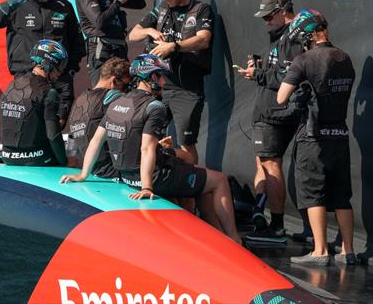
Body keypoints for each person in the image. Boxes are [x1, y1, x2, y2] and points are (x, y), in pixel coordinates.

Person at [60, 55, 241, 244]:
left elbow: (96, 141)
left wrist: (82, 174)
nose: (164, 82)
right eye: (161, 76)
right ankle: (235, 240)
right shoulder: (155, 107)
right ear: (151, 78)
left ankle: (216, 238)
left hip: (125, 175)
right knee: (219, 180)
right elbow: (147, 149)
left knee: (199, 181)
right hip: (152, 176)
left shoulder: (116, 103)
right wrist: (147, 186)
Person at [277, 9, 357, 266]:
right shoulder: (344, 57)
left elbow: (281, 97)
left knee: (313, 193)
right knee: (342, 195)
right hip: (340, 135)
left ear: (305, 35)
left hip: (313, 137)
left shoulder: (304, 60)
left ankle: (320, 251)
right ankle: (348, 251)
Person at [237, 0, 305, 245]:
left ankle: (276, 227)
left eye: (268, 17)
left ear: (281, 12)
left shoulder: (293, 37)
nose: (265, 22)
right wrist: (260, 67)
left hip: (276, 114)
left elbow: (289, 77)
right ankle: (265, 215)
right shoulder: (284, 37)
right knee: (265, 163)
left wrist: (258, 74)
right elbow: (280, 69)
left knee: (270, 165)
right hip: (273, 112)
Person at [128, 0, 212, 165]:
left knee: (186, 144)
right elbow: (133, 34)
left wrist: (174, 46)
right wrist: (150, 30)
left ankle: (189, 188)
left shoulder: (200, 9)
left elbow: (204, 40)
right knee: (145, 136)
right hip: (159, 88)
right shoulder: (162, 9)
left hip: (187, 89)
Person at [0, 40, 70, 166]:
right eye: (60, 66)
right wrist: (65, 162)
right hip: (36, 158)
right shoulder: (49, 92)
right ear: (50, 64)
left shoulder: (11, 86)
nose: (60, 72)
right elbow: (53, 135)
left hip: (7, 156)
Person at [66, 57, 132, 179]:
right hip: (112, 170)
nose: (127, 90)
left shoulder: (81, 99)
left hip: (87, 167)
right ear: (114, 81)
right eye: (125, 85)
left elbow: (72, 136)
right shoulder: (116, 98)